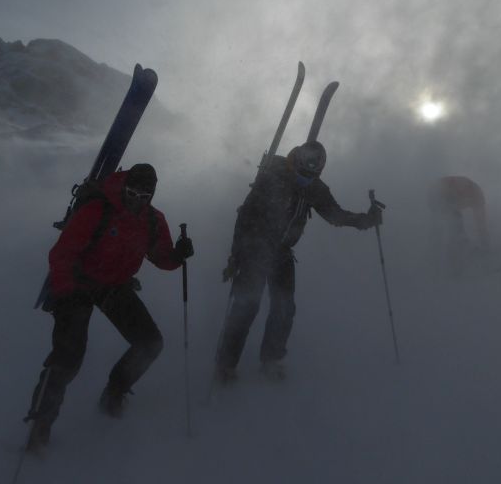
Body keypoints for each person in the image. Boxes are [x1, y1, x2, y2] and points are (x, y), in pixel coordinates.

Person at [23, 164, 194, 452]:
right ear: (124, 187)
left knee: (150, 343)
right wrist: (65, 293)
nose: (137, 199)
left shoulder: (152, 220)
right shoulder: (97, 210)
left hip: (114, 285)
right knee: (68, 358)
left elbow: (161, 257)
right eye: (132, 193)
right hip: (78, 284)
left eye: (144, 195)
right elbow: (62, 254)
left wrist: (178, 255)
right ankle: (41, 424)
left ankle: (114, 392)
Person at [215, 141, 382, 383]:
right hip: (256, 249)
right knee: (246, 306)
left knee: (284, 308)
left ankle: (271, 359)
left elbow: (335, 215)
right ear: (296, 163)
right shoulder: (273, 176)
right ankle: (226, 365)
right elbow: (246, 216)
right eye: (303, 173)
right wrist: (235, 256)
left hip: (282, 253)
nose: (306, 179)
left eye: (312, 175)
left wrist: (366, 220)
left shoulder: (315, 188)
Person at [427, 175, 489, 275]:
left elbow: (481, 223)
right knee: (456, 227)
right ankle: (454, 268)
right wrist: (485, 244)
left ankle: (437, 263)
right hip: (439, 194)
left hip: (436, 194)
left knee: (452, 228)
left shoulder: (473, 193)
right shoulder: (475, 194)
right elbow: (481, 223)